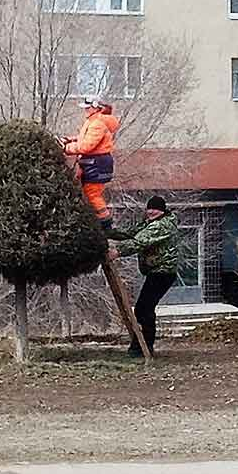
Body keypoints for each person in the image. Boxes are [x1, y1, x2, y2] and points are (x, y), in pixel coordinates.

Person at [108, 196, 180, 357]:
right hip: (156, 272)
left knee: (144, 309)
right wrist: (108, 232)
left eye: (155, 209)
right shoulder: (150, 223)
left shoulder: (162, 226)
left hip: (163, 273)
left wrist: (117, 252)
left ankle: (143, 347)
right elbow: (131, 233)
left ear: (162, 210)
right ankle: (141, 346)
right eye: (149, 208)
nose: (151, 211)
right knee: (144, 309)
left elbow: (139, 241)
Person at [63, 98, 120, 232]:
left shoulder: (97, 123)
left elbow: (86, 146)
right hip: (94, 163)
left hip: (96, 163)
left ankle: (105, 225)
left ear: (96, 108)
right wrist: (71, 139)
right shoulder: (94, 121)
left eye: (88, 108)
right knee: (88, 193)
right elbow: (86, 138)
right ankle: (98, 222)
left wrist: (66, 148)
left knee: (92, 194)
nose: (85, 110)